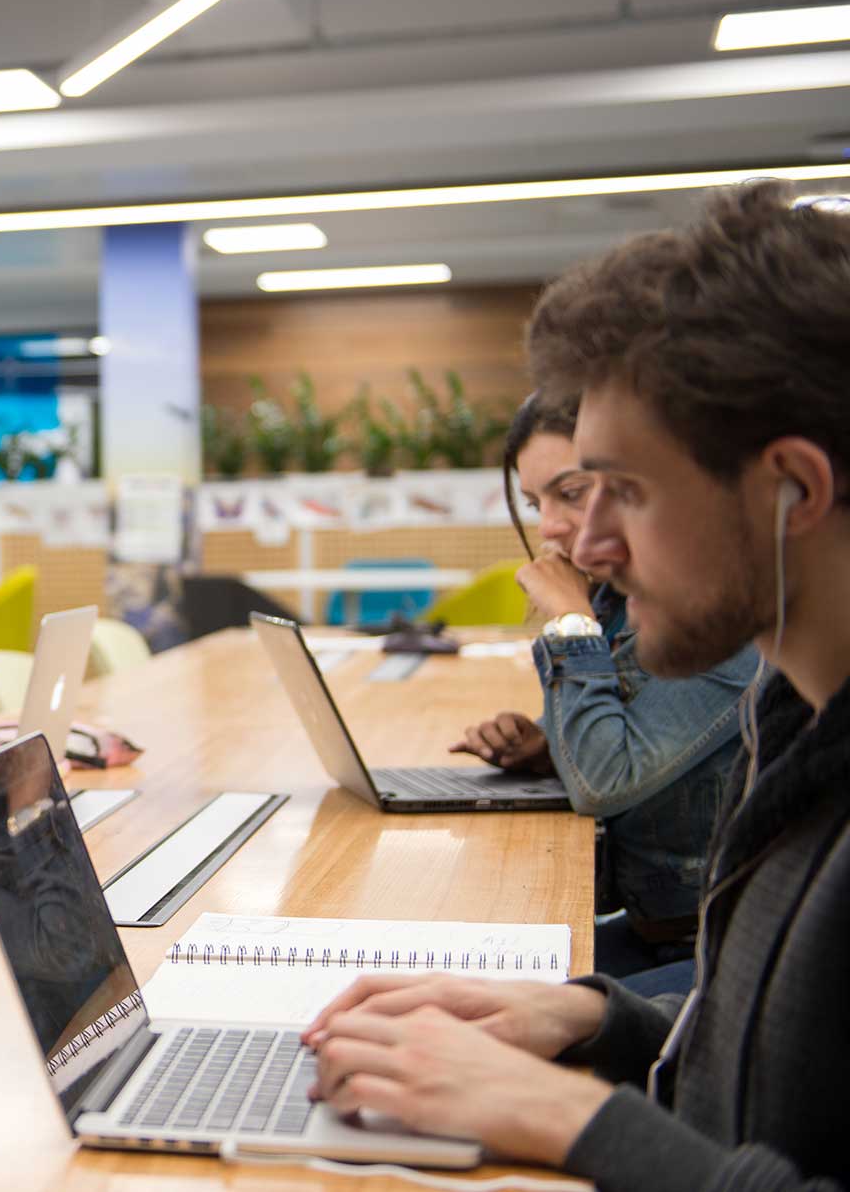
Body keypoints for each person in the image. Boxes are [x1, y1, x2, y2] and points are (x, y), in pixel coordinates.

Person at [303, 181, 850, 1188]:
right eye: (568, 495)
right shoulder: (793, 720)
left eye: (624, 493)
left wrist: (568, 1113)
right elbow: (784, 1088)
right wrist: (595, 1018)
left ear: (792, 490)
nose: (587, 544)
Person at [448, 393, 753, 995]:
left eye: (572, 491)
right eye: (536, 503)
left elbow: (602, 781)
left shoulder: (721, 617)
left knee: (498, 1013)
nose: (549, 529)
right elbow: (617, 747)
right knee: (463, 980)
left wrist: (568, 620)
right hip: (653, 928)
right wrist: (546, 747)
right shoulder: (619, 596)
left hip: (716, 950)